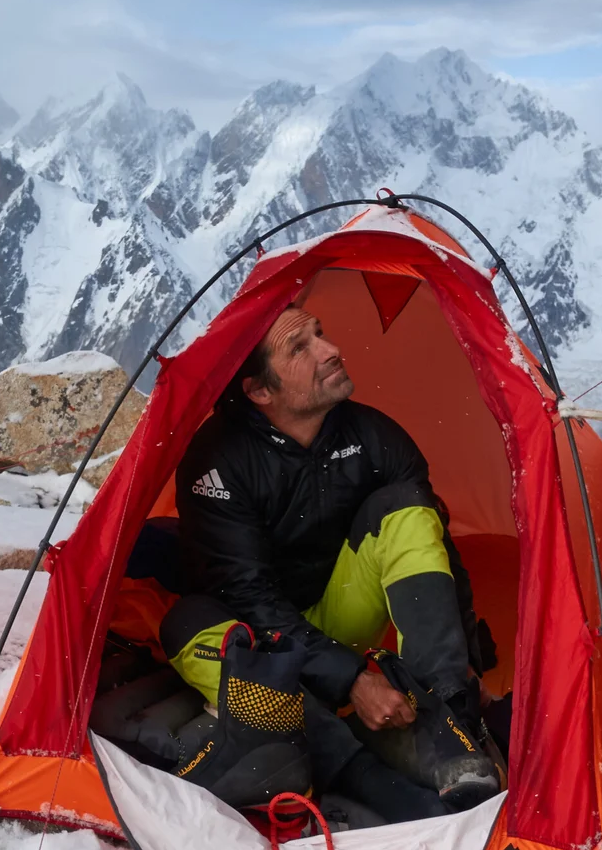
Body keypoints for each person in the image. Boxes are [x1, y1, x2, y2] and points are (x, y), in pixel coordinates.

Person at [156, 303, 501, 822]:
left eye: (321, 332)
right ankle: (371, 778)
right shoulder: (218, 461)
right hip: (259, 638)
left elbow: (436, 554)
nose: (331, 349)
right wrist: (353, 681)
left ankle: (447, 723)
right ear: (259, 391)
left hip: (338, 619)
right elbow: (245, 596)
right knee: (187, 624)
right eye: (301, 347)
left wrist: (468, 672)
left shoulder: (375, 438)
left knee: (407, 507)